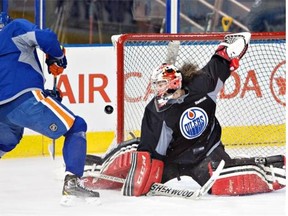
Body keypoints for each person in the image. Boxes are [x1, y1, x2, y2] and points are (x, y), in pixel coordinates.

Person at [83, 32, 286, 196]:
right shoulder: (155, 110)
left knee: (222, 183)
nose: (157, 89)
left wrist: (228, 47)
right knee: (134, 152)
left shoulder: (203, 85)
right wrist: (143, 175)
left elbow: (228, 53)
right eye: (156, 85)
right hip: (172, 160)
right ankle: (97, 169)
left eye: (161, 84)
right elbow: (152, 151)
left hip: (208, 152)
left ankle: (267, 167)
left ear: (173, 82)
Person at [0, 12, 99, 205]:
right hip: (24, 98)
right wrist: (57, 57)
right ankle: (73, 183)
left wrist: (45, 94)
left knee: (4, 145)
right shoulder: (15, 28)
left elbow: (8, 77)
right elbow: (47, 37)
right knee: (76, 126)